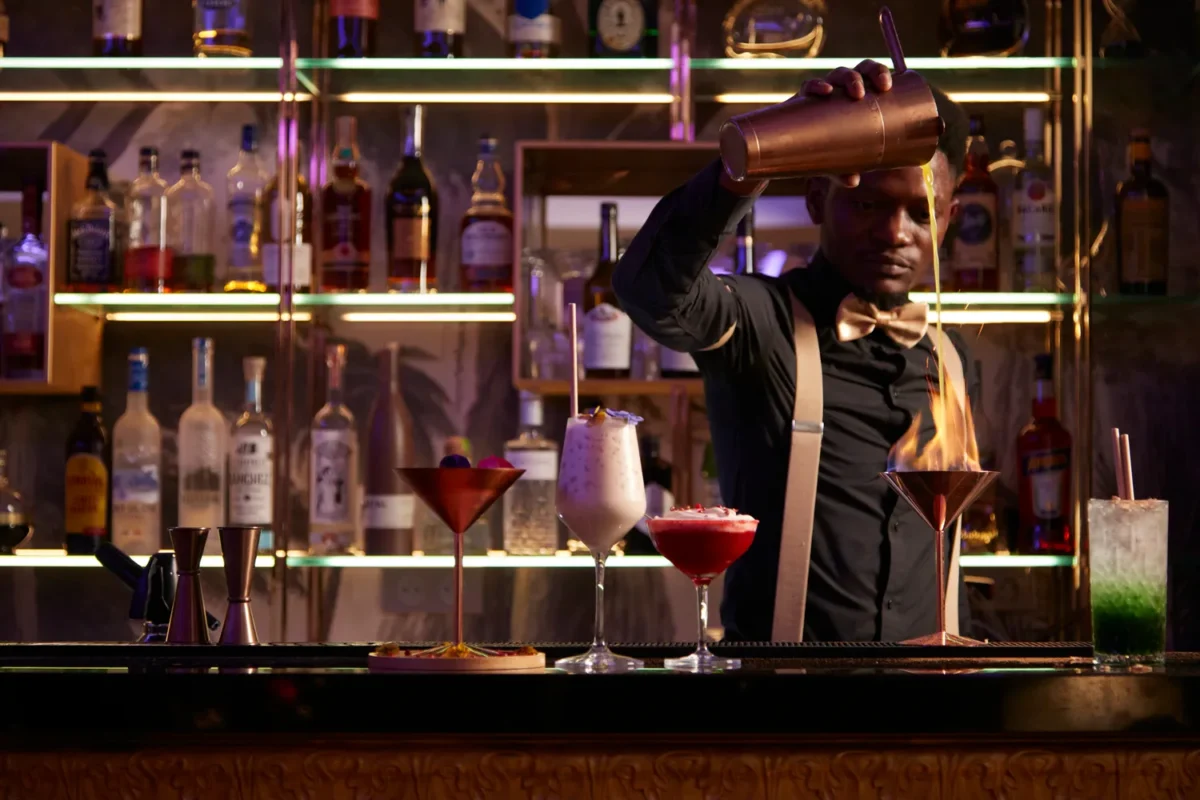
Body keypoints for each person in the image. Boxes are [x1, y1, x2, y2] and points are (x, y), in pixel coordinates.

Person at [613, 60, 979, 643]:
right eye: (867, 204)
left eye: (921, 213)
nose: (895, 233)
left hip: (928, 708)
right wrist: (759, 151)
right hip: (781, 707)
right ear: (815, 200)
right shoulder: (760, 323)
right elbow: (648, 288)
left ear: (949, 221)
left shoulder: (953, 358)